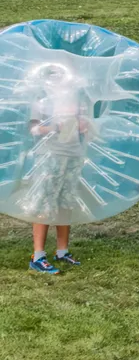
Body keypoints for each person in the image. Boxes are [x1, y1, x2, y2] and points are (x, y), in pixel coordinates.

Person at [19, 63, 90, 275]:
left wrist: (84, 126)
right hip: (50, 155)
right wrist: (54, 127)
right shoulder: (42, 100)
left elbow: (83, 125)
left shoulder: (77, 99)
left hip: (73, 153)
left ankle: (62, 251)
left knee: (65, 201)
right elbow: (33, 129)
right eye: (57, 74)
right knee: (44, 202)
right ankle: (38, 256)